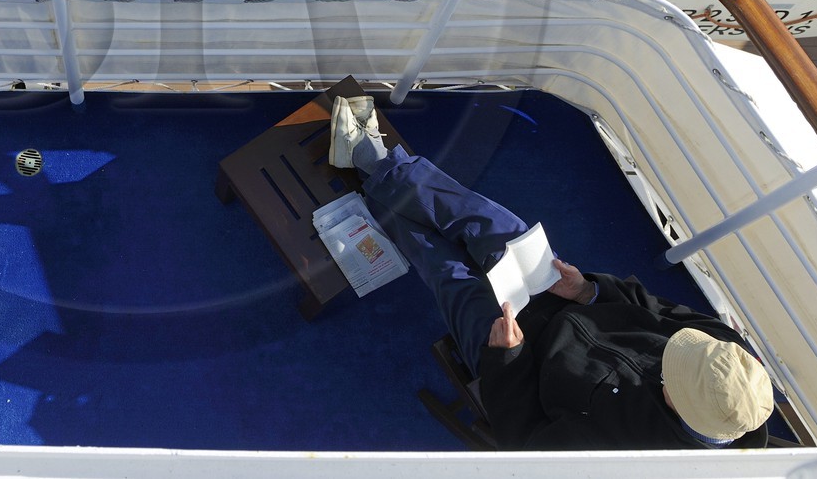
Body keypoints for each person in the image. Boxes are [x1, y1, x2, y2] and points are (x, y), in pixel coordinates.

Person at [329, 96, 775, 449]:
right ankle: (377, 165)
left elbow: (521, 439)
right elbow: (653, 307)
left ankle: (372, 171)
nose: (669, 360)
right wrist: (590, 292)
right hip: (566, 298)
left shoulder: (624, 458)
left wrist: (506, 357)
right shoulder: (725, 353)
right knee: (492, 222)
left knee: (446, 267)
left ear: (684, 409)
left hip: (517, 352)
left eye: (672, 370)